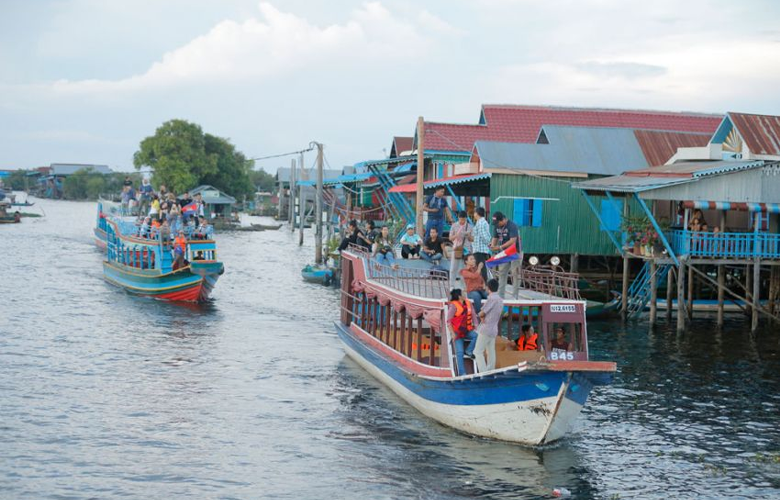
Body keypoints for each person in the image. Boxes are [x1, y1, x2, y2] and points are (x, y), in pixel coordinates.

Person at [491, 211, 522, 299]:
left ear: (503, 220)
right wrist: (493, 246)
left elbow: (513, 241)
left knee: (515, 273)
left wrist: (499, 247)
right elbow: (495, 237)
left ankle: (515, 296)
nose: (497, 225)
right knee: (502, 272)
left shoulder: (512, 226)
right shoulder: (497, 226)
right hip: (504, 252)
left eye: (498, 222)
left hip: (515, 252)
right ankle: (501, 295)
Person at [473, 279, 503, 373]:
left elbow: (482, 313)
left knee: (477, 351)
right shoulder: (500, 300)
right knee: (490, 351)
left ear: (488, 288)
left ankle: (483, 371)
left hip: (486, 329)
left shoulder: (491, 298)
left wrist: (478, 315)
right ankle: (491, 370)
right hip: (494, 329)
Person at [447, 289, 479, 375]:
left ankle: (469, 350)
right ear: (459, 296)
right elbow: (448, 321)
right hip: (457, 332)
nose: (465, 293)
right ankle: (462, 373)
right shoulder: (453, 306)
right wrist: (452, 333)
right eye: (463, 293)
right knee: (459, 352)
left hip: (467, 330)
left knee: (476, 336)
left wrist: (476, 326)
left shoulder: (468, 303)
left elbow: (473, 315)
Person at [447, 210, 473, 283]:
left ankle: (464, 285)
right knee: (453, 268)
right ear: (458, 218)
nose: (462, 221)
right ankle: (451, 285)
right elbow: (450, 238)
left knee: (465, 268)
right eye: (460, 219)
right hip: (457, 249)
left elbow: (472, 239)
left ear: (466, 219)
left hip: (467, 250)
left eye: (464, 220)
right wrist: (456, 235)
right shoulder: (454, 225)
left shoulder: (470, 226)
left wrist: (469, 236)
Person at [472, 207, 491, 282]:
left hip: (479, 249)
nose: (474, 214)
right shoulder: (483, 222)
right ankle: (483, 284)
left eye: (474, 213)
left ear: (477, 213)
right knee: (481, 267)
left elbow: (484, 236)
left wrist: (488, 244)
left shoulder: (480, 222)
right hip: (480, 249)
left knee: (481, 268)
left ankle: (484, 284)